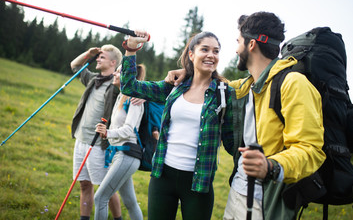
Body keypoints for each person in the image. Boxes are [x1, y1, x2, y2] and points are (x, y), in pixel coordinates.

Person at [165, 11, 326, 219]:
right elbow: (209, 84)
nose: (236, 49)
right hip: (238, 191)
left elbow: (311, 149)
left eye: (238, 41)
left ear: (251, 45)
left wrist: (271, 166)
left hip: (266, 201)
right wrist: (189, 72)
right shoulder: (244, 87)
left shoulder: (293, 83)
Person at [120, 31, 234, 220]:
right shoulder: (174, 86)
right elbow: (129, 86)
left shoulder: (224, 94)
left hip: (199, 182)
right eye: (204, 49)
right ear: (191, 54)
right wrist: (131, 49)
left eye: (216, 51)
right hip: (163, 176)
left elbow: (232, 142)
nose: (211, 55)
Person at [70, 45, 122, 220]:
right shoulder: (93, 79)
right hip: (81, 138)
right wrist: (88, 54)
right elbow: (74, 66)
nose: (98, 59)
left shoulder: (116, 86)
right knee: (84, 184)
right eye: (98, 57)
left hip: (98, 143)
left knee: (105, 188)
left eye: (102, 57)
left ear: (113, 62)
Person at [94, 64, 146, 220]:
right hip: (118, 154)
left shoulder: (135, 99)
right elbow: (118, 128)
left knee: (100, 198)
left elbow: (129, 130)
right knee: (130, 202)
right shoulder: (120, 96)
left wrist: (108, 132)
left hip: (127, 155)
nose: (114, 74)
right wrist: (106, 135)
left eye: (118, 71)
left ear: (127, 76)